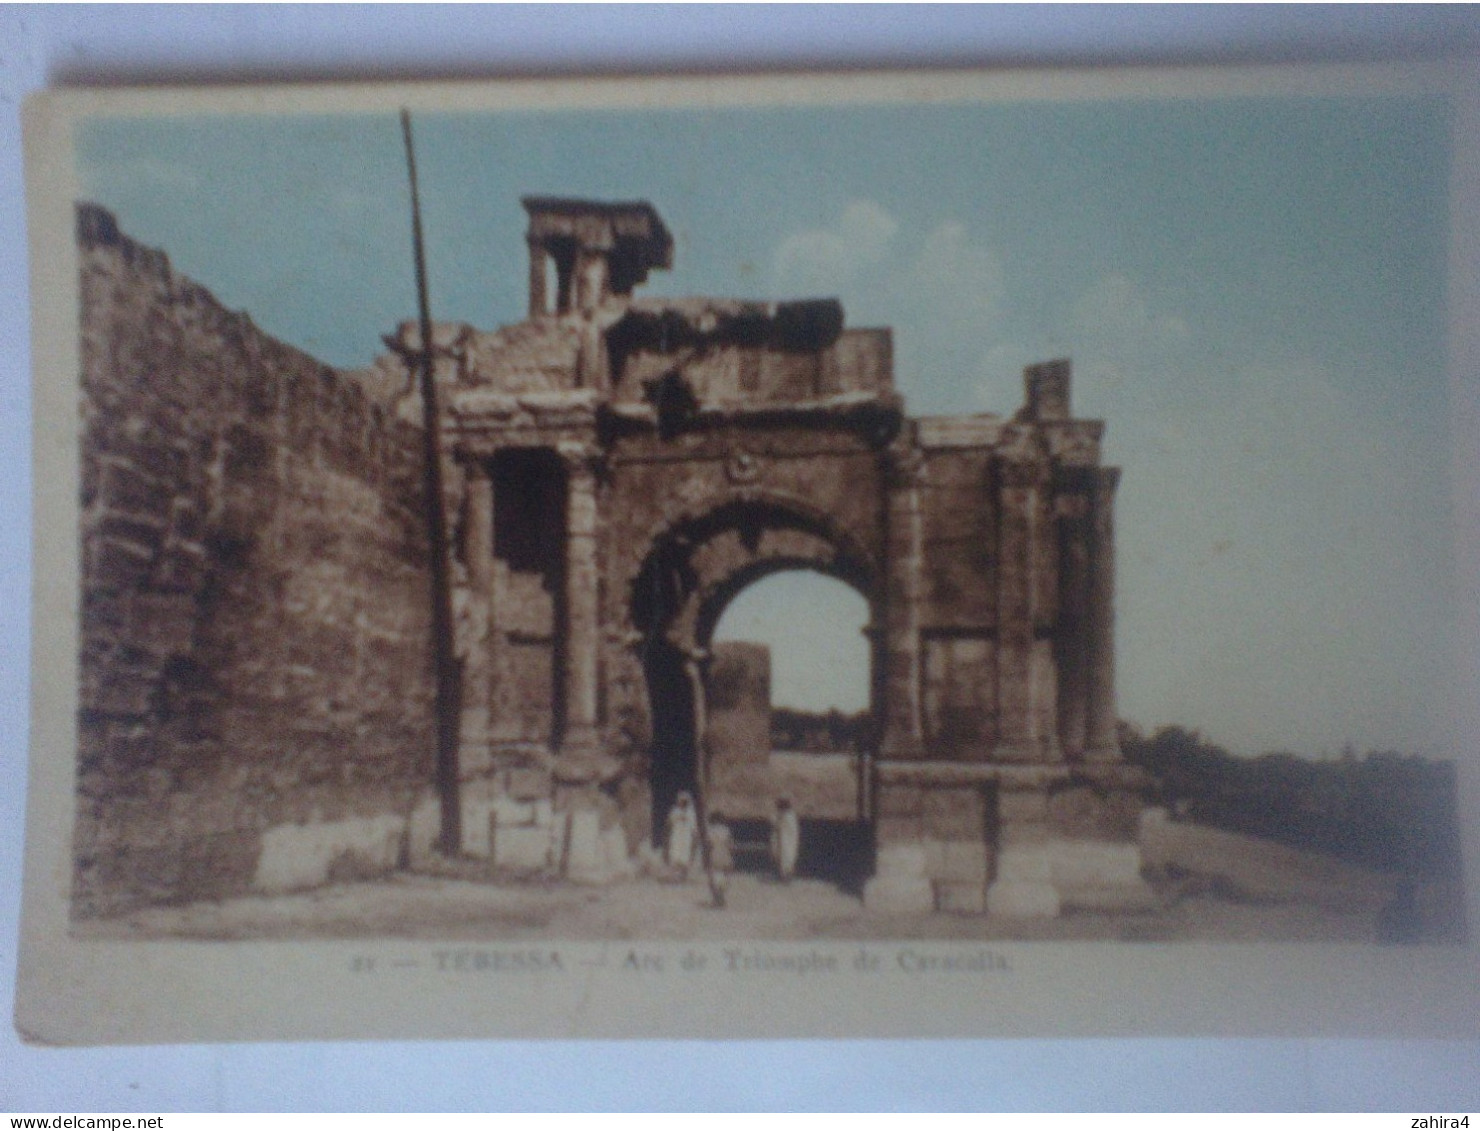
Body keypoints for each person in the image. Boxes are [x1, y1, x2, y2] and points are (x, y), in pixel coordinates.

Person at [664, 791, 698, 880]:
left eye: (685, 801)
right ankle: (674, 875)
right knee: (675, 853)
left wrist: (694, 835)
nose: (683, 803)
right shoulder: (675, 811)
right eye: (681, 801)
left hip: (686, 835)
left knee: (685, 854)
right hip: (677, 834)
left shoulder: (691, 813)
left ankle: (684, 875)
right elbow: (669, 823)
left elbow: (694, 826)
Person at [705, 809, 734, 908]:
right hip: (725, 853)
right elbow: (730, 844)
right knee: (724, 875)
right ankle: (721, 897)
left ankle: (717, 899)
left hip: (714, 853)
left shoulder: (710, 830)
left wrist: (706, 857)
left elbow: (708, 845)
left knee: (714, 876)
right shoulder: (726, 830)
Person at [771, 797, 800, 883]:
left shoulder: (789, 816)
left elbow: (783, 826)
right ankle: (783, 874)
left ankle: (786, 875)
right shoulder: (782, 815)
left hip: (787, 840)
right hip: (783, 839)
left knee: (787, 856)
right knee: (783, 856)